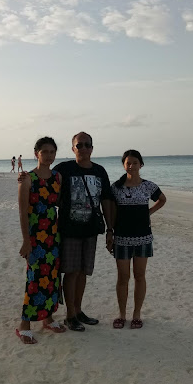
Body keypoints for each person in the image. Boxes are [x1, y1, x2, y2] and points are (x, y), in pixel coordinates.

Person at [52, 132, 113, 332]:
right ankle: (69, 315)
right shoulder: (63, 169)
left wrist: (111, 229)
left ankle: (78, 310)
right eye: (80, 145)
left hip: (91, 229)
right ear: (73, 149)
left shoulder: (100, 171)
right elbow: (45, 186)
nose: (84, 148)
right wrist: (24, 180)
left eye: (88, 145)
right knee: (71, 271)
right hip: (69, 229)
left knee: (84, 272)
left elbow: (106, 200)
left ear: (92, 148)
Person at [106, 150, 166, 330]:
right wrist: (110, 233)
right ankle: (122, 314)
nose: (131, 166)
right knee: (122, 277)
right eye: (128, 163)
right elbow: (111, 210)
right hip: (122, 238)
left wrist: (149, 213)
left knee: (140, 276)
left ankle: (137, 314)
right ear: (123, 165)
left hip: (143, 238)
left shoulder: (149, 186)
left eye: (134, 162)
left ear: (141, 165)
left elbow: (162, 200)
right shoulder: (116, 187)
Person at [16, 137, 66, 344]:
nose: (49, 156)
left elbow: (60, 205)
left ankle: (48, 318)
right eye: (44, 151)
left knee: (52, 277)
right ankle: (24, 325)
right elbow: (22, 212)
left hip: (53, 234)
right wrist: (26, 241)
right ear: (36, 153)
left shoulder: (57, 177)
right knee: (35, 278)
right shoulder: (28, 178)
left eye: (52, 152)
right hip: (36, 235)